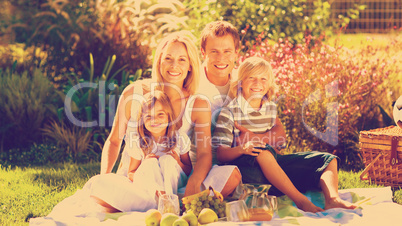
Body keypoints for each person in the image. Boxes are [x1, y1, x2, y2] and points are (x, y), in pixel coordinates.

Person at [213, 56, 357, 212]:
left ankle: (333, 199)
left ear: (269, 84)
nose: (258, 84)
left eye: (263, 79)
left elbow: (280, 140)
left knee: (327, 160)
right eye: (251, 78)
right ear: (240, 82)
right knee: (262, 151)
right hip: (248, 174)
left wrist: (261, 139)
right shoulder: (229, 113)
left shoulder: (269, 108)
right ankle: (300, 201)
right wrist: (243, 148)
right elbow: (221, 155)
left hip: (273, 169)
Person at [117, 90, 192, 196]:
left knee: (167, 160)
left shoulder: (179, 138)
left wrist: (178, 162)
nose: (154, 120)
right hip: (151, 186)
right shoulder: (138, 142)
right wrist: (144, 164)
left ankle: (170, 199)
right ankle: (160, 196)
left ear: (169, 116)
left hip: (175, 182)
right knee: (150, 163)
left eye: (160, 114)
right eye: (148, 116)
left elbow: (189, 169)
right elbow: (131, 173)